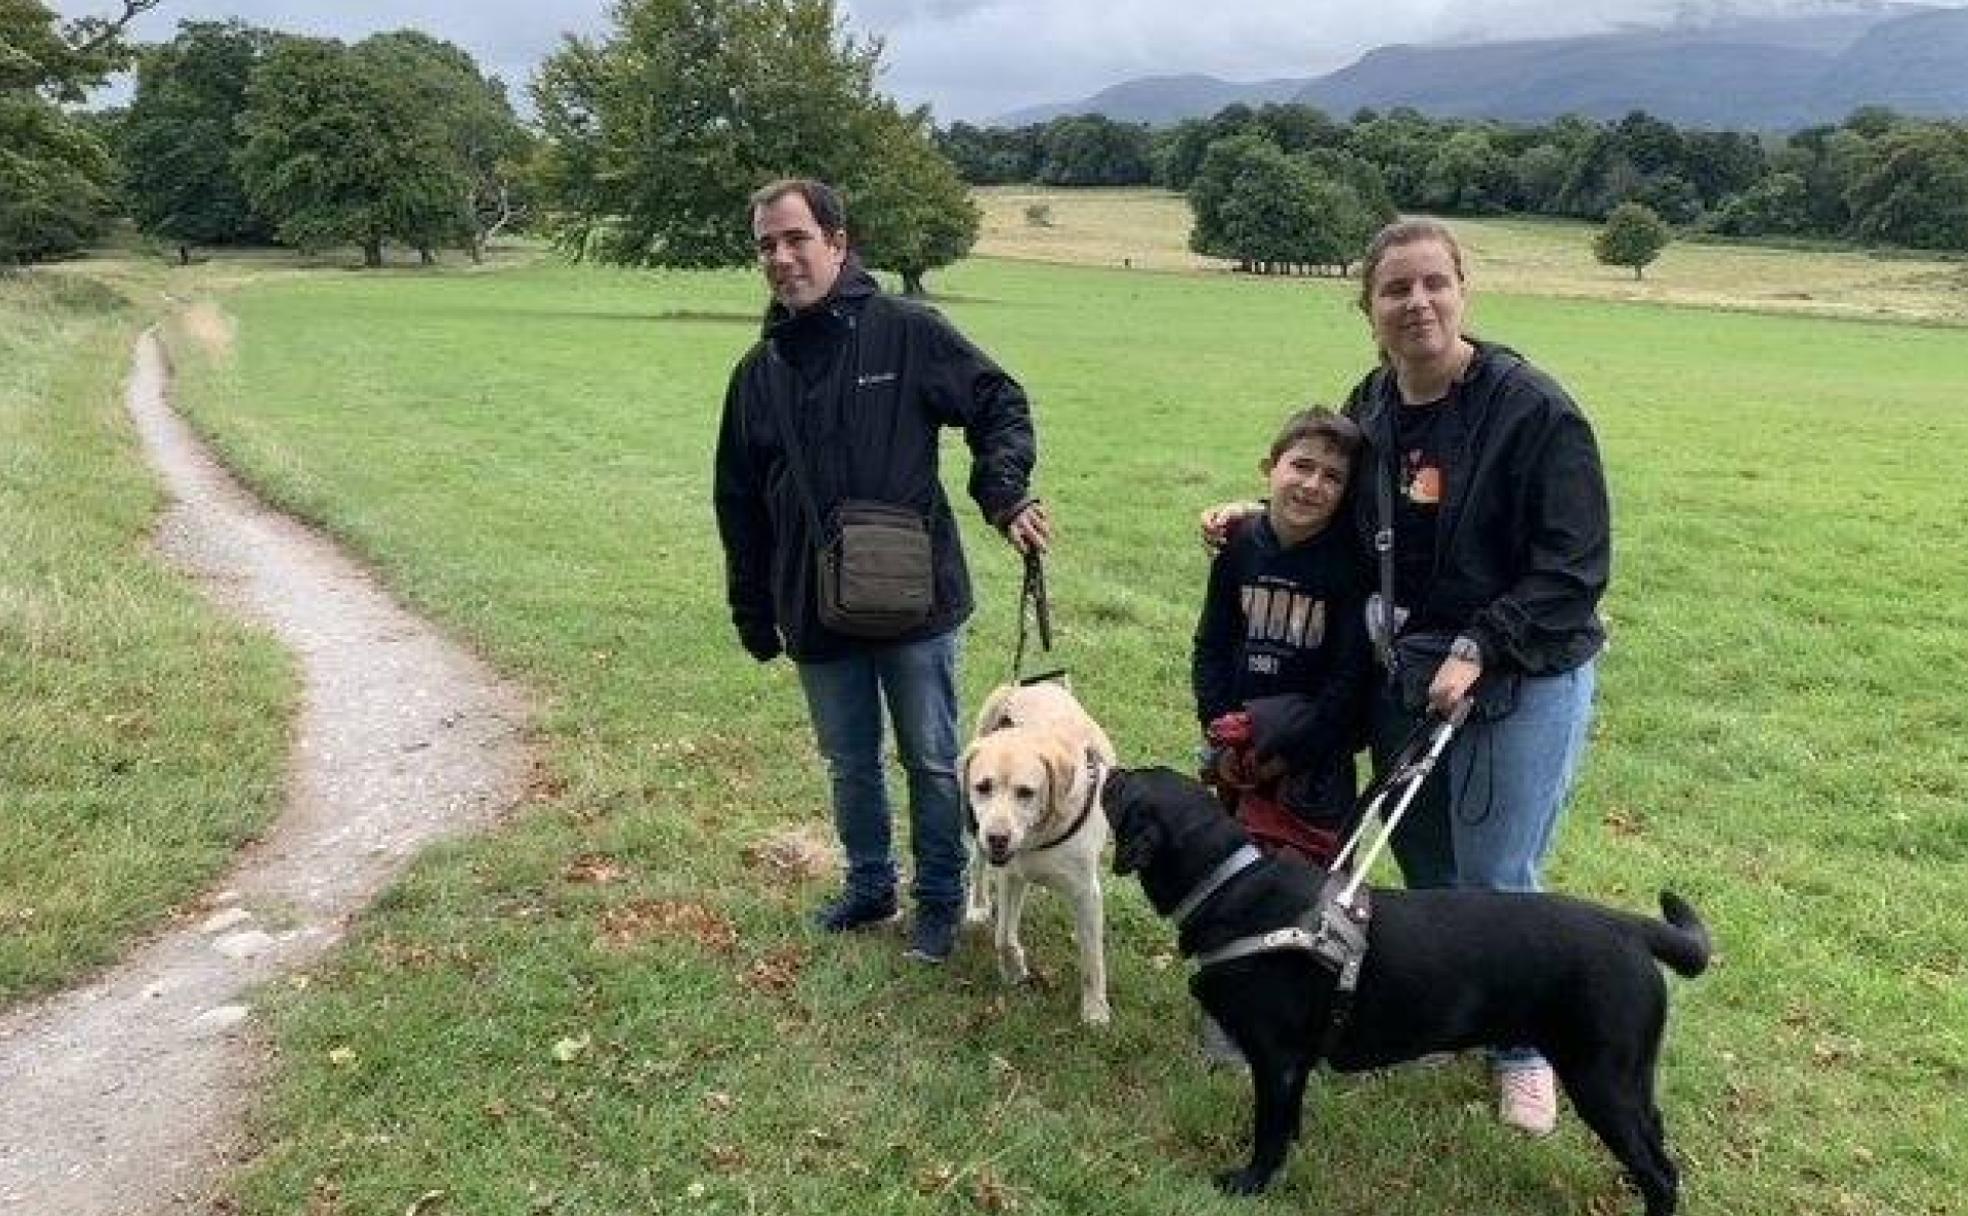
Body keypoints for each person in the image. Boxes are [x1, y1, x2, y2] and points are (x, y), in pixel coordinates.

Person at [1203, 217, 1610, 1135]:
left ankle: (1525, 1051)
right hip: (1407, 678)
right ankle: (1447, 1018)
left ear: (1462, 290)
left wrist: (1484, 642)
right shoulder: (1374, 406)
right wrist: (1263, 516)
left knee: (1498, 874)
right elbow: (1346, 514)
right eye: (1396, 290)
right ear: (1369, 310)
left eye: (1434, 283)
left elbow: (1575, 568)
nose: (1417, 303)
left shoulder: (1535, 411)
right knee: (1425, 875)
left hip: (1523, 675)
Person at [713, 179, 1051, 964]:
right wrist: (752, 609)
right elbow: (737, 500)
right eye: (767, 245)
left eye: (796, 238)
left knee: (934, 759)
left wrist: (1001, 493)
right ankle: (870, 885)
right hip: (812, 601)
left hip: (917, 599)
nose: (782, 257)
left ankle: (938, 898)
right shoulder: (756, 374)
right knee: (849, 761)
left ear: (837, 241)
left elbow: (998, 400)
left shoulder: (906, 332)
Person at [1191, 406, 1371, 869]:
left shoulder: (1350, 564)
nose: (1313, 485)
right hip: (1237, 745)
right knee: (1229, 869)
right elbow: (1211, 646)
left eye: (1332, 476)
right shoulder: (1238, 547)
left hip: (1315, 761)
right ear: (1270, 469)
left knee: (1310, 888)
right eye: (1302, 466)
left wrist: (1290, 755)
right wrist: (1220, 736)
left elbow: (1349, 679)